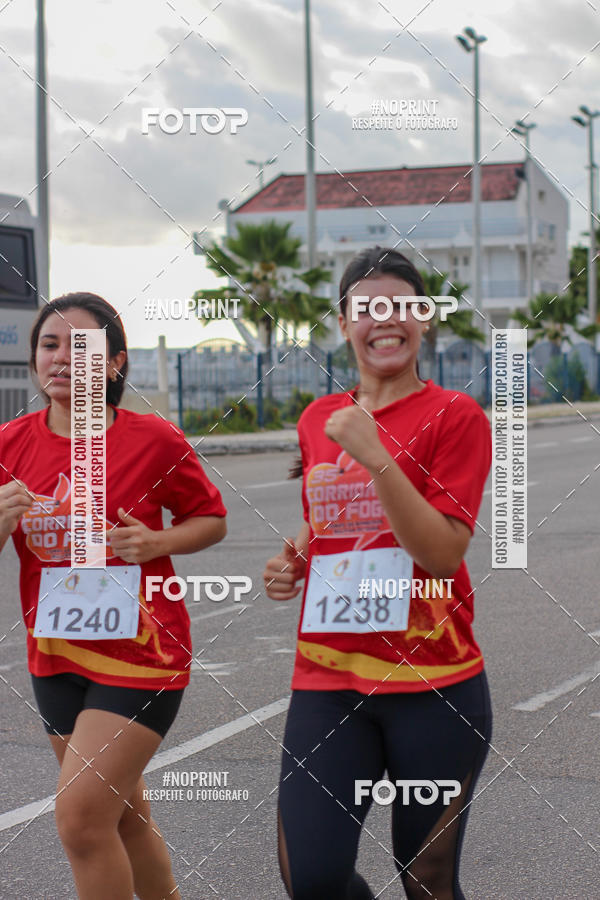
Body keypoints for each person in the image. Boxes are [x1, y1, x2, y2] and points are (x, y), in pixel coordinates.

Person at [263, 247, 492, 900]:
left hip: (436, 687)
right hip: (328, 680)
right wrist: (293, 563)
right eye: (368, 309)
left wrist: (377, 454)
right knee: (311, 878)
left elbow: (442, 554)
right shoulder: (319, 420)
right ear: (343, 323)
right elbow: (330, 521)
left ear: (424, 318)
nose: (385, 320)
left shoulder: (456, 416)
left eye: (402, 305)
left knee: (425, 879)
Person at [0, 292, 227, 900]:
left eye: (82, 347)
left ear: (116, 363)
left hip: (143, 656)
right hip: (56, 657)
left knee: (81, 821)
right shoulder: (9, 445)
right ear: (34, 359)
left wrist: (156, 541)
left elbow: (211, 519)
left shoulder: (152, 439)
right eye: (50, 344)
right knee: (122, 817)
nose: (63, 358)